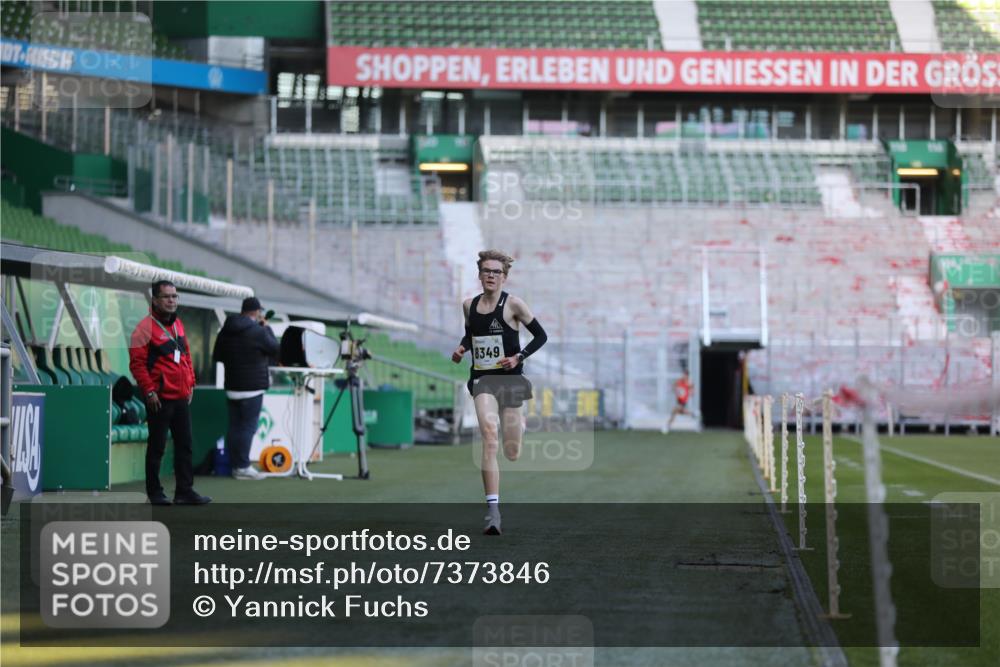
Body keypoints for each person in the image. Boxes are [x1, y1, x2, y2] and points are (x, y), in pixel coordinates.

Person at [452, 250, 547, 535]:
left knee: (512, 451)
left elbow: (541, 336)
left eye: (496, 272)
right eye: (486, 271)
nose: (491, 275)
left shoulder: (514, 305)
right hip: (483, 380)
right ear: (479, 274)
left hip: (511, 381)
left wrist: (519, 357)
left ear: (504, 277)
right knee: (489, 438)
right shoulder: (469, 305)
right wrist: (462, 348)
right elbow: (472, 334)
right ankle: (493, 512)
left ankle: (519, 424)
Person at [129, 280, 211, 506]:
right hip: (159, 397)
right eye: (166, 297)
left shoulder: (179, 325)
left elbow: (185, 357)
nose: (172, 300)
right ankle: (154, 493)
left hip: (181, 396)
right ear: (155, 300)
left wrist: (191, 383)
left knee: (185, 445)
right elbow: (137, 365)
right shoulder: (143, 329)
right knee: (157, 447)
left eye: (175, 296)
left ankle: (184, 491)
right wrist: (149, 391)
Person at [212, 297, 278, 480]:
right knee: (248, 427)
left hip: (232, 386)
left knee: (235, 427)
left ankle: (235, 465)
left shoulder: (226, 330)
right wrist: (267, 328)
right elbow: (275, 349)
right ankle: (242, 466)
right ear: (256, 312)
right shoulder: (259, 330)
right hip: (253, 388)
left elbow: (217, 355)